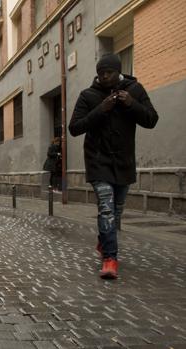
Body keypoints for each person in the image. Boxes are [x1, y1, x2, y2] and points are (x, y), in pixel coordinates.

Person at [69, 53, 158, 279]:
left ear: (118, 72)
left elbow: (151, 119)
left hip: (124, 161)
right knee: (106, 209)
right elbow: (75, 127)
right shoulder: (88, 95)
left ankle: (103, 241)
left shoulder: (135, 90)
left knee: (116, 211)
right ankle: (110, 259)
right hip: (98, 161)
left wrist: (131, 104)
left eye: (109, 73)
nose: (105, 77)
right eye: (101, 73)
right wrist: (101, 109)